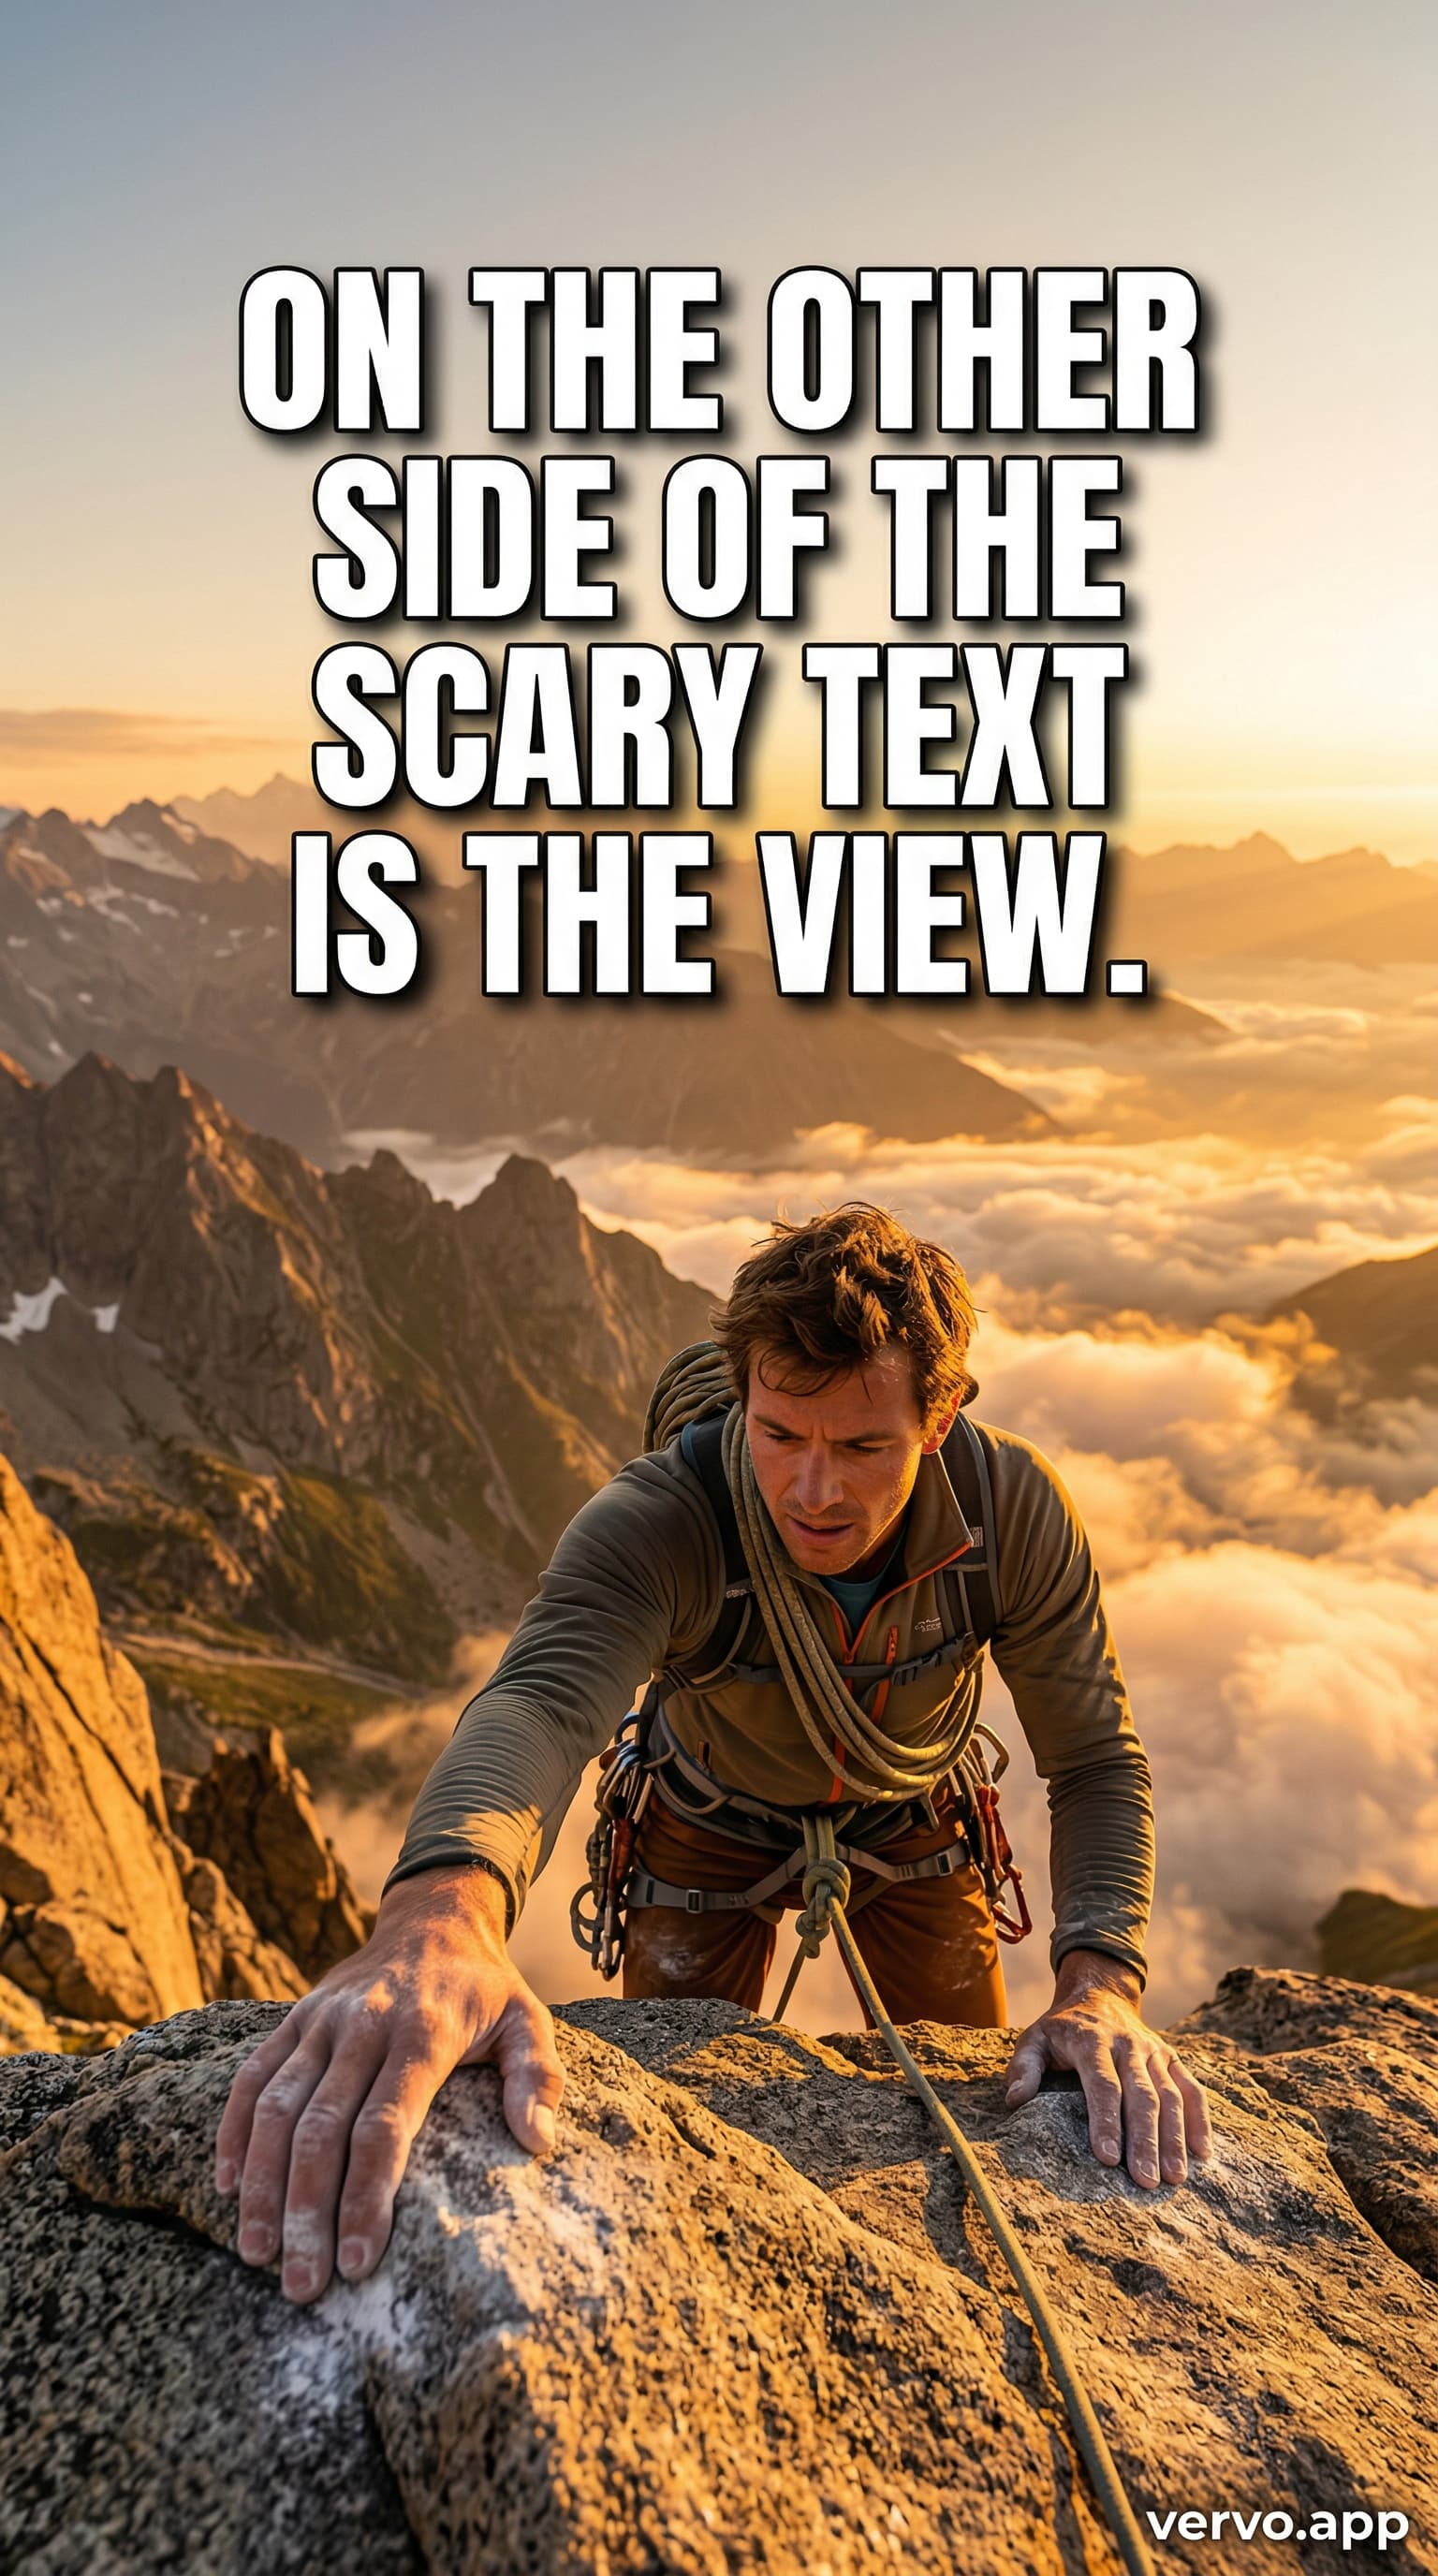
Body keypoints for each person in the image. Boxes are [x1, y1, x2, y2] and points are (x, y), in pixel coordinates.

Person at [217, 1205, 1211, 2304]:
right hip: (703, 1821)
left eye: (864, 1445)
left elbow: (1095, 1759)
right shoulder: (668, 1518)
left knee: (973, 2107)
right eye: (780, 1433)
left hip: (911, 1812)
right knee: (677, 2121)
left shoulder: (1008, 1510)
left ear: (939, 1421)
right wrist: (440, 1917)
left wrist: (1100, 1983)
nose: (813, 1490)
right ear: (743, 1396)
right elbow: (541, 1705)